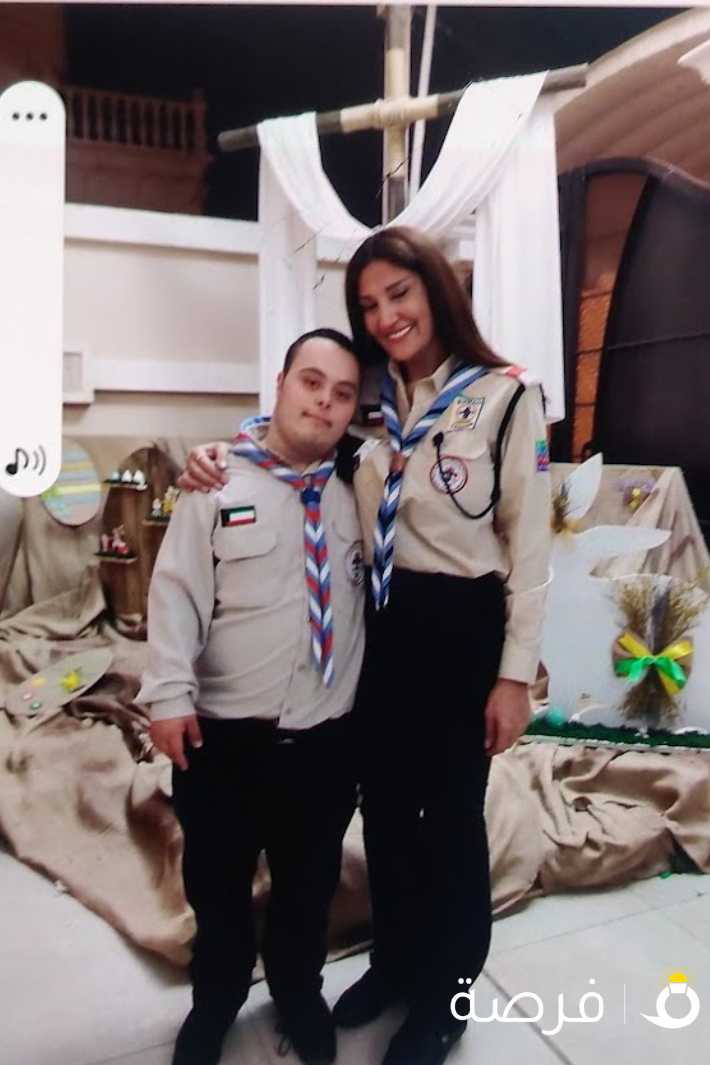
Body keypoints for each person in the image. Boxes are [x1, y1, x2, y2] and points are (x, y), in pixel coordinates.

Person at [179, 226, 552, 1065]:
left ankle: (446, 996)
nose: (385, 316)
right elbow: (289, 448)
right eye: (368, 304)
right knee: (383, 814)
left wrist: (512, 676)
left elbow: (529, 551)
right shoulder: (370, 404)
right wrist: (212, 454)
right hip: (379, 626)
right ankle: (396, 962)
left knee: (450, 820)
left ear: (435, 290)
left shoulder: (504, 397)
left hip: (459, 629)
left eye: (398, 294)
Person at [137, 329, 366, 1065]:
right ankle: (217, 998)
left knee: (309, 884)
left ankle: (298, 991)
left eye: (341, 395)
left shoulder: (362, 487)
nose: (323, 404)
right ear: (280, 384)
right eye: (311, 383)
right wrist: (168, 696)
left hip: (324, 741)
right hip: (224, 740)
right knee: (217, 886)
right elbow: (176, 593)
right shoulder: (217, 483)